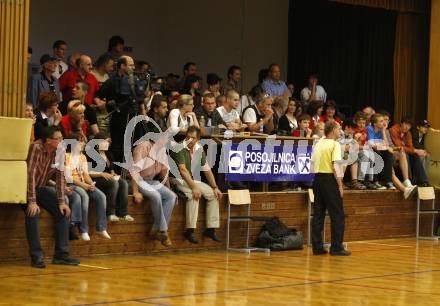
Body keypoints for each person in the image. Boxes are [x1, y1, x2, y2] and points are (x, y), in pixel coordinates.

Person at [25, 126, 80, 268]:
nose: (62, 141)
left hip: (41, 188)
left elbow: (60, 177)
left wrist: (61, 202)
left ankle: (61, 254)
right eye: (59, 139)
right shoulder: (36, 148)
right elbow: (29, 175)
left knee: (62, 211)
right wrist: (32, 201)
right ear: (48, 141)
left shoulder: (60, 151)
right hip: (25, 189)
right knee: (33, 213)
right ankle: (36, 257)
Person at [170, 126, 222, 244]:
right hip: (176, 178)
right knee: (193, 194)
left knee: (213, 194)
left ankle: (211, 229)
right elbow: (182, 170)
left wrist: (215, 187)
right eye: (188, 137)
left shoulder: (199, 148)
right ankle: (190, 230)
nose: (189, 140)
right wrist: (194, 187)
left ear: (198, 139)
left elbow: (207, 170)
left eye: (192, 138)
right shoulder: (179, 147)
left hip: (189, 179)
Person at [96, 55, 146, 168]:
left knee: (134, 144)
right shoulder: (111, 81)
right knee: (118, 146)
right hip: (118, 118)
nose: (133, 67)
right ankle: (118, 170)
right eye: (131, 65)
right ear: (122, 66)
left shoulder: (135, 81)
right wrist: (99, 103)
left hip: (133, 117)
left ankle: (132, 170)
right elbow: (98, 96)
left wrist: (143, 112)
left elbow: (140, 99)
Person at [311, 121, 351, 256]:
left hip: (317, 179)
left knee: (318, 215)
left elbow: (312, 164)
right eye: (339, 128)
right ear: (333, 130)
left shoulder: (318, 143)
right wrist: (340, 185)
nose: (340, 131)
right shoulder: (335, 144)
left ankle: (317, 248)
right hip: (329, 180)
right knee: (337, 214)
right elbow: (336, 166)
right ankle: (336, 248)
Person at [131, 131, 177, 247]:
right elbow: (134, 171)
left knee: (171, 196)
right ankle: (163, 231)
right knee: (156, 195)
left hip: (151, 181)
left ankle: (157, 229)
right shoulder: (143, 147)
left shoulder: (161, 150)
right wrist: (135, 191)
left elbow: (164, 172)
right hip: (137, 180)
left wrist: (169, 189)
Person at [65, 132, 110, 241]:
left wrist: (91, 184)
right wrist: (84, 185)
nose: (84, 143)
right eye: (81, 141)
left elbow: (85, 174)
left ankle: (101, 227)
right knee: (84, 196)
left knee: (101, 196)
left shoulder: (82, 157)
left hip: (83, 183)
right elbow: (68, 177)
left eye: (83, 141)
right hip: (71, 184)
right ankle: (84, 229)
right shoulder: (66, 156)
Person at [89, 133, 134, 222]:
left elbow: (111, 170)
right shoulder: (90, 154)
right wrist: (101, 174)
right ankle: (110, 213)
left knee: (123, 183)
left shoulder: (108, 154)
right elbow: (87, 172)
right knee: (113, 183)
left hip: (108, 177)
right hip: (95, 178)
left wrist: (113, 174)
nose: (108, 144)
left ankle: (123, 213)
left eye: (108, 142)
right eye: (106, 142)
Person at [389, 117, 429, 186]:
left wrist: (415, 151)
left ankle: (424, 181)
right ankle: (408, 181)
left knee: (415, 155)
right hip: (393, 152)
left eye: (409, 126)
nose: (407, 127)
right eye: (406, 124)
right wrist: (415, 150)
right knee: (407, 154)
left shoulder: (408, 133)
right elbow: (399, 146)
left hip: (402, 151)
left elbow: (410, 147)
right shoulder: (394, 130)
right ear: (401, 123)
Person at [366, 114, 395, 190]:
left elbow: (386, 144)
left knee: (388, 154)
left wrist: (383, 130)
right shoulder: (369, 128)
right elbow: (371, 144)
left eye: (384, 120)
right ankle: (374, 181)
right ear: (375, 124)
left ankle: (388, 181)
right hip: (368, 150)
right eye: (381, 121)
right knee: (377, 154)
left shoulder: (381, 130)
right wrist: (384, 146)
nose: (384, 123)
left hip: (378, 149)